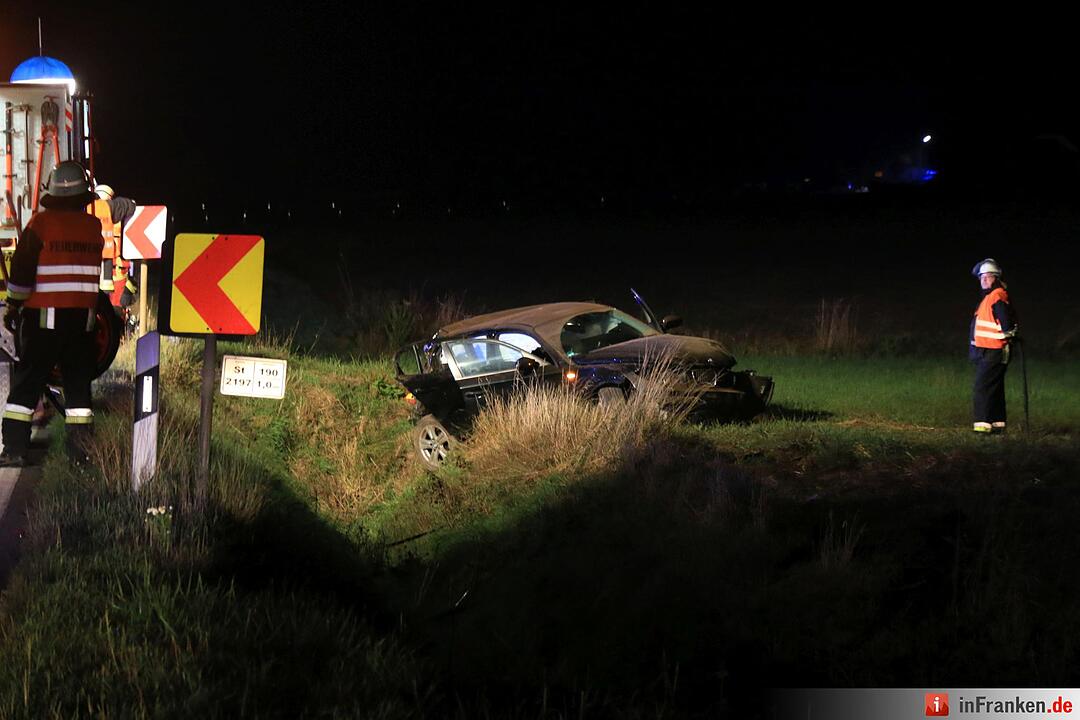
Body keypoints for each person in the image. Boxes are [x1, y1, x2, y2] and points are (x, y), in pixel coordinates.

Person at [0, 161, 104, 467]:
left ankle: (15, 449)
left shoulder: (40, 225)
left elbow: (20, 276)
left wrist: (13, 306)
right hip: (83, 322)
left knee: (28, 382)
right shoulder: (93, 228)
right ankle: (81, 453)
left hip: (44, 320)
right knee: (77, 390)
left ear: (53, 192)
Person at [969, 258, 1018, 434]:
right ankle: (998, 425)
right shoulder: (989, 298)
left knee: (982, 388)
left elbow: (1006, 322)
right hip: (988, 350)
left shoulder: (996, 295)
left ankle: (982, 427)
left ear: (995, 278)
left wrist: (1009, 333)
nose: (983, 280)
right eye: (981, 277)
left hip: (995, 350)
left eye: (987, 277)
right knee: (994, 389)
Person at [89, 182, 138, 311]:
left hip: (110, 280)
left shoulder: (87, 213)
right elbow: (129, 205)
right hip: (112, 280)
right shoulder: (121, 221)